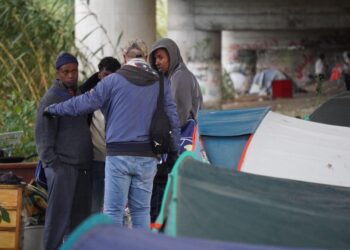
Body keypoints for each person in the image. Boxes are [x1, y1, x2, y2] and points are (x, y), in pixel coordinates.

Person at [43, 39, 181, 229]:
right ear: (147, 57)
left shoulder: (113, 81)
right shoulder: (161, 82)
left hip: (119, 156)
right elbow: (172, 118)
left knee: (113, 212)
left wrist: (54, 109)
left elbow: (83, 103)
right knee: (141, 211)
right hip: (148, 156)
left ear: (124, 56)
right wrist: (174, 151)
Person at [35, 52, 93, 250]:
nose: (71, 75)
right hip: (63, 167)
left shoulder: (78, 95)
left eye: (74, 71)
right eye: (66, 72)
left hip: (83, 166)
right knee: (58, 219)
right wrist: (54, 165)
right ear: (58, 73)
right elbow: (43, 136)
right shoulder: (51, 97)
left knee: (80, 220)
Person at [148, 38, 203, 223]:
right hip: (176, 143)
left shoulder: (180, 76)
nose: (157, 62)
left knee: (168, 189)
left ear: (171, 56)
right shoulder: (171, 77)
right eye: (155, 58)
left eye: (161, 58)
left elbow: (177, 117)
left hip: (178, 143)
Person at [79, 57, 121, 213]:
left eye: (112, 76)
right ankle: (96, 233)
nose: (108, 80)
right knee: (95, 200)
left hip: (118, 158)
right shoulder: (90, 96)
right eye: (105, 75)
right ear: (99, 75)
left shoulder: (123, 96)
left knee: (116, 202)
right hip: (96, 157)